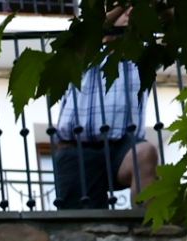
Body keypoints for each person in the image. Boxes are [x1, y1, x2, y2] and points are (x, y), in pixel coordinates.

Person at [49, 6, 160, 209]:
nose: (130, 14)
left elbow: (177, 27)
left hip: (121, 144)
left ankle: (147, 229)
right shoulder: (83, 52)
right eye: (126, 11)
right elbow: (87, 32)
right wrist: (122, 6)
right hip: (76, 146)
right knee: (83, 226)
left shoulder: (144, 56)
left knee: (145, 153)